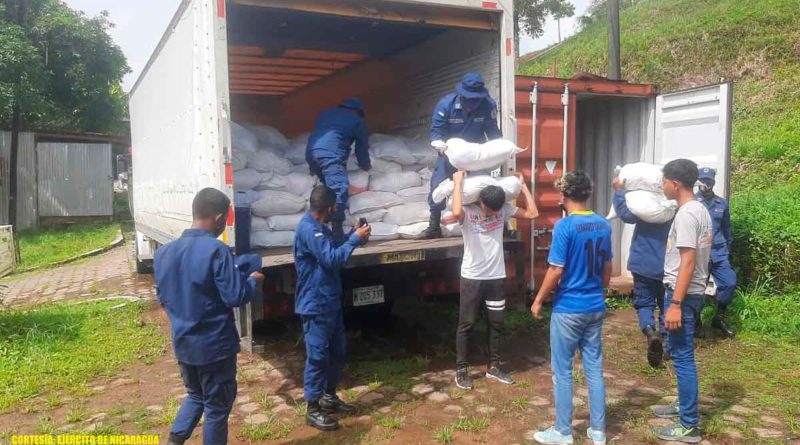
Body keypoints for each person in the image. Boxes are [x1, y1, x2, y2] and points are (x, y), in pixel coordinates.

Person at [154, 188, 265, 445]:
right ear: (217, 218)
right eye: (224, 220)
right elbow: (235, 296)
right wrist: (251, 281)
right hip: (214, 347)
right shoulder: (217, 251)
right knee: (216, 408)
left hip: (184, 344)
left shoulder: (163, 254)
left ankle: (174, 441)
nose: (224, 225)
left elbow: (164, 297)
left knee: (195, 395)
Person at [531, 171, 612, 445]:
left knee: (563, 370)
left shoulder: (565, 227)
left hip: (568, 308)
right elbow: (607, 268)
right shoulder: (603, 224)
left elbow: (555, 270)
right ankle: (598, 432)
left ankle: (563, 431)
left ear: (563, 195)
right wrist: (600, 290)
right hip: (595, 305)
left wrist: (539, 299)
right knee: (594, 368)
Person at [451, 170, 539, 390]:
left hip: (496, 277)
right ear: (480, 201)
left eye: (495, 211)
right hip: (472, 277)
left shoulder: (503, 209)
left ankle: (494, 367)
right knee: (467, 323)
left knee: (496, 323)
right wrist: (458, 183)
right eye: (488, 209)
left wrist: (523, 187)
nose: (492, 214)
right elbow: (454, 211)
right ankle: (461, 370)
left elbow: (532, 214)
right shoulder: (468, 211)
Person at [294, 185, 371, 431]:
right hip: (315, 304)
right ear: (328, 208)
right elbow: (331, 259)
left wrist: (352, 236)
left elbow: (334, 249)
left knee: (338, 350)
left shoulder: (321, 228)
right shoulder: (308, 230)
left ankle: (329, 396)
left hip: (330, 301)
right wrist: (355, 240)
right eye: (333, 209)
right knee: (317, 356)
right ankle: (313, 408)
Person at [651, 159, 712, 444]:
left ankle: (689, 425)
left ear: (675, 183)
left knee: (683, 356)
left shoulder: (688, 214)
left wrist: (675, 303)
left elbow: (687, 261)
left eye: (664, 181)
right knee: (679, 353)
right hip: (689, 293)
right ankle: (682, 406)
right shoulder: (700, 210)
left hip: (682, 295)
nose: (662, 186)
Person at [424, 72, 503, 239]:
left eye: (477, 99)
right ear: (461, 95)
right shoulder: (446, 105)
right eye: (470, 98)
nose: (474, 103)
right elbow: (437, 135)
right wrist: (444, 150)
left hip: (476, 158)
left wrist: (498, 151)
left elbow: (494, 133)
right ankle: (434, 224)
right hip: (450, 155)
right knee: (438, 186)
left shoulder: (488, 105)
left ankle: (488, 222)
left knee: (485, 189)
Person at [612, 175, 672, 367]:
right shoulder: (672, 207)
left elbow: (625, 215)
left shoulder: (643, 206)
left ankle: (649, 330)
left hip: (642, 263)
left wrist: (619, 192)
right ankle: (665, 343)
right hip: (667, 265)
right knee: (665, 305)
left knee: (644, 303)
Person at [306, 97, 371, 240]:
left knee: (326, 192)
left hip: (311, 152)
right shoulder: (357, 121)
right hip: (331, 154)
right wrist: (365, 165)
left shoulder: (325, 114)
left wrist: (313, 167)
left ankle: (321, 227)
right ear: (357, 111)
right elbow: (362, 148)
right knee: (338, 189)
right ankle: (337, 231)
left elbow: (323, 133)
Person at [695, 167, 736, 337]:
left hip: (719, 253)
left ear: (714, 182)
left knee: (729, 283)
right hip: (699, 253)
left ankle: (718, 318)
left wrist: (727, 248)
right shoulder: (691, 203)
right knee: (697, 289)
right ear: (698, 181)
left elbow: (727, 229)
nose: (706, 184)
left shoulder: (722, 203)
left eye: (709, 181)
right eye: (703, 180)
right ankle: (696, 322)